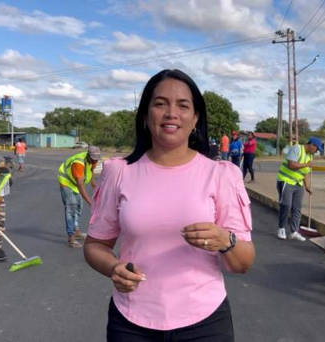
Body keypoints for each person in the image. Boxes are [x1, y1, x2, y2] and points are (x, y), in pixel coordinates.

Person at [84, 69, 254, 341]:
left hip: (205, 322)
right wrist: (113, 268)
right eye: (160, 103)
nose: (171, 112)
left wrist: (226, 241)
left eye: (183, 105)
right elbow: (94, 246)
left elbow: (243, 262)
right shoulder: (119, 172)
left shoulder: (222, 174)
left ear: (195, 117)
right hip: (131, 321)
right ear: (145, 114)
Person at [276, 137, 323, 242]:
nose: (316, 152)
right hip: (286, 180)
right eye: (317, 149)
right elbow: (291, 164)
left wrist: (307, 186)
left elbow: (306, 173)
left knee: (297, 208)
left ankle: (294, 232)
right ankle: (281, 228)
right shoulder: (296, 149)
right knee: (286, 205)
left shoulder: (310, 156)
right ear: (312, 145)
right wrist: (306, 164)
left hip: (298, 184)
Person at [58, 146, 100, 248]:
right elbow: (80, 185)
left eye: (96, 158)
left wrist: (93, 182)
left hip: (75, 184)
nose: (95, 160)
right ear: (88, 156)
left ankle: (76, 232)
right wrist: (90, 202)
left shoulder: (94, 159)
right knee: (71, 209)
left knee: (78, 207)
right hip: (67, 183)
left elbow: (92, 169)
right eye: (93, 158)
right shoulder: (78, 164)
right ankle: (71, 238)